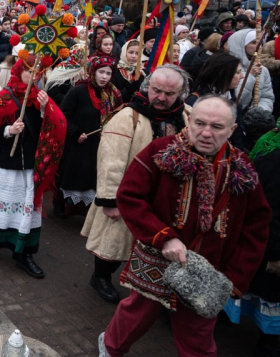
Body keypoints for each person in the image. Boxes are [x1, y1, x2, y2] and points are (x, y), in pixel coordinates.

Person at [99, 95, 271, 357]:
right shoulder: (160, 150)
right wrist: (163, 237)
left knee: (198, 334)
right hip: (156, 258)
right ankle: (110, 347)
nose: (205, 133)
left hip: (209, 268)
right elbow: (130, 197)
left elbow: (256, 227)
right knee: (137, 315)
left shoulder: (242, 167)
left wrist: (235, 278)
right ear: (189, 120)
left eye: (217, 127)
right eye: (199, 123)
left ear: (232, 130)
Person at [83, 65, 192, 304]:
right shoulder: (126, 118)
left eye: (169, 93)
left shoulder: (187, 116)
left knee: (158, 243)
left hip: (166, 196)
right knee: (113, 241)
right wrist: (110, 200)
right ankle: (100, 276)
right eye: (156, 90)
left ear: (181, 93)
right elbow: (110, 161)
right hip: (129, 194)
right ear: (147, 86)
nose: (161, 98)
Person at [0, 53, 67, 279]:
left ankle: (24, 252)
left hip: (31, 166)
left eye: (38, 72)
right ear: (19, 71)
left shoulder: (40, 96)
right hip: (9, 165)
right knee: (4, 206)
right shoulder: (4, 97)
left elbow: (54, 127)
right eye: (30, 71)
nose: (34, 76)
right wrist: (9, 131)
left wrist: (46, 111)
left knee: (26, 208)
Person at [223, 119, 280, 356]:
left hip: (262, 237)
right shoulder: (274, 155)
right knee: (267, 292)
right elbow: (271, 209)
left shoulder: (268, 142)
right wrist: (275, 253)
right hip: (269, 240)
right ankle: (268, 342)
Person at [55, 56, 122, 219]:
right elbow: (64, 114)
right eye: (101, 72)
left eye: (108, 73)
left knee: (93, 179)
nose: (104, 76)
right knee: (73, 176)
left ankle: (89, 212)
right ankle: (63, 208)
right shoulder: (78, 91)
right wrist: (75, 132)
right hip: (78, 143)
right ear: (93, 72)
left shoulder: (114, 93)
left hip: (100, 144)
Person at [229, 28, 275, 112]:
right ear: (242, 45)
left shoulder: (263, 70)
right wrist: (250, 76)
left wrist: (261, 112)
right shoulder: (229, 68)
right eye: (253, 42)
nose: (258, 46)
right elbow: (234, 98)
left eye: (260, 43)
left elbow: (267, 97)